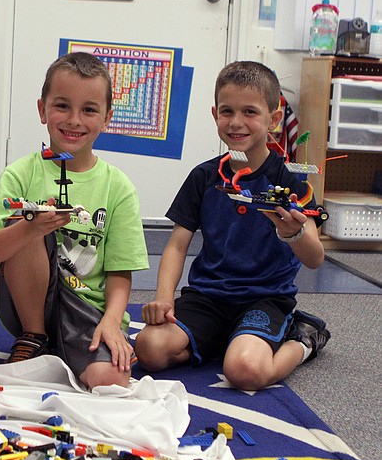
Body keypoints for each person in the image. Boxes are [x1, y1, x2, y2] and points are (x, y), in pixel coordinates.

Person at [134, 61, 330, 392]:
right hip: (207, 297)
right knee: (149, 349)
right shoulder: (203, 176)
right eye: (227, 111)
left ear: (274, 117)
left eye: (250, 112)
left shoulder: (290, 180)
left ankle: (303, 338)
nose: (236, 122)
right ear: (215, 114)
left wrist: (293, 233)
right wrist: (164, 299)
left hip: (265, 299)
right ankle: (224, 339)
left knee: (245, 371)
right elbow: (177, 245)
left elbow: (315, 258)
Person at [0, 52, 148, 389]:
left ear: (107, 118)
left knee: (110, 381)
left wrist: (111, 322)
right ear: (42, 110)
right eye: (62, 106)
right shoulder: (20, 174)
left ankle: (67, 348)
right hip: (26, 307)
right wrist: (30, 227)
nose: (74, 120)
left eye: (89, 110)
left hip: (89, 310)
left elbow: (120, 271)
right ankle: (36, 336)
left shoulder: (118, 187)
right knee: (24, 226)